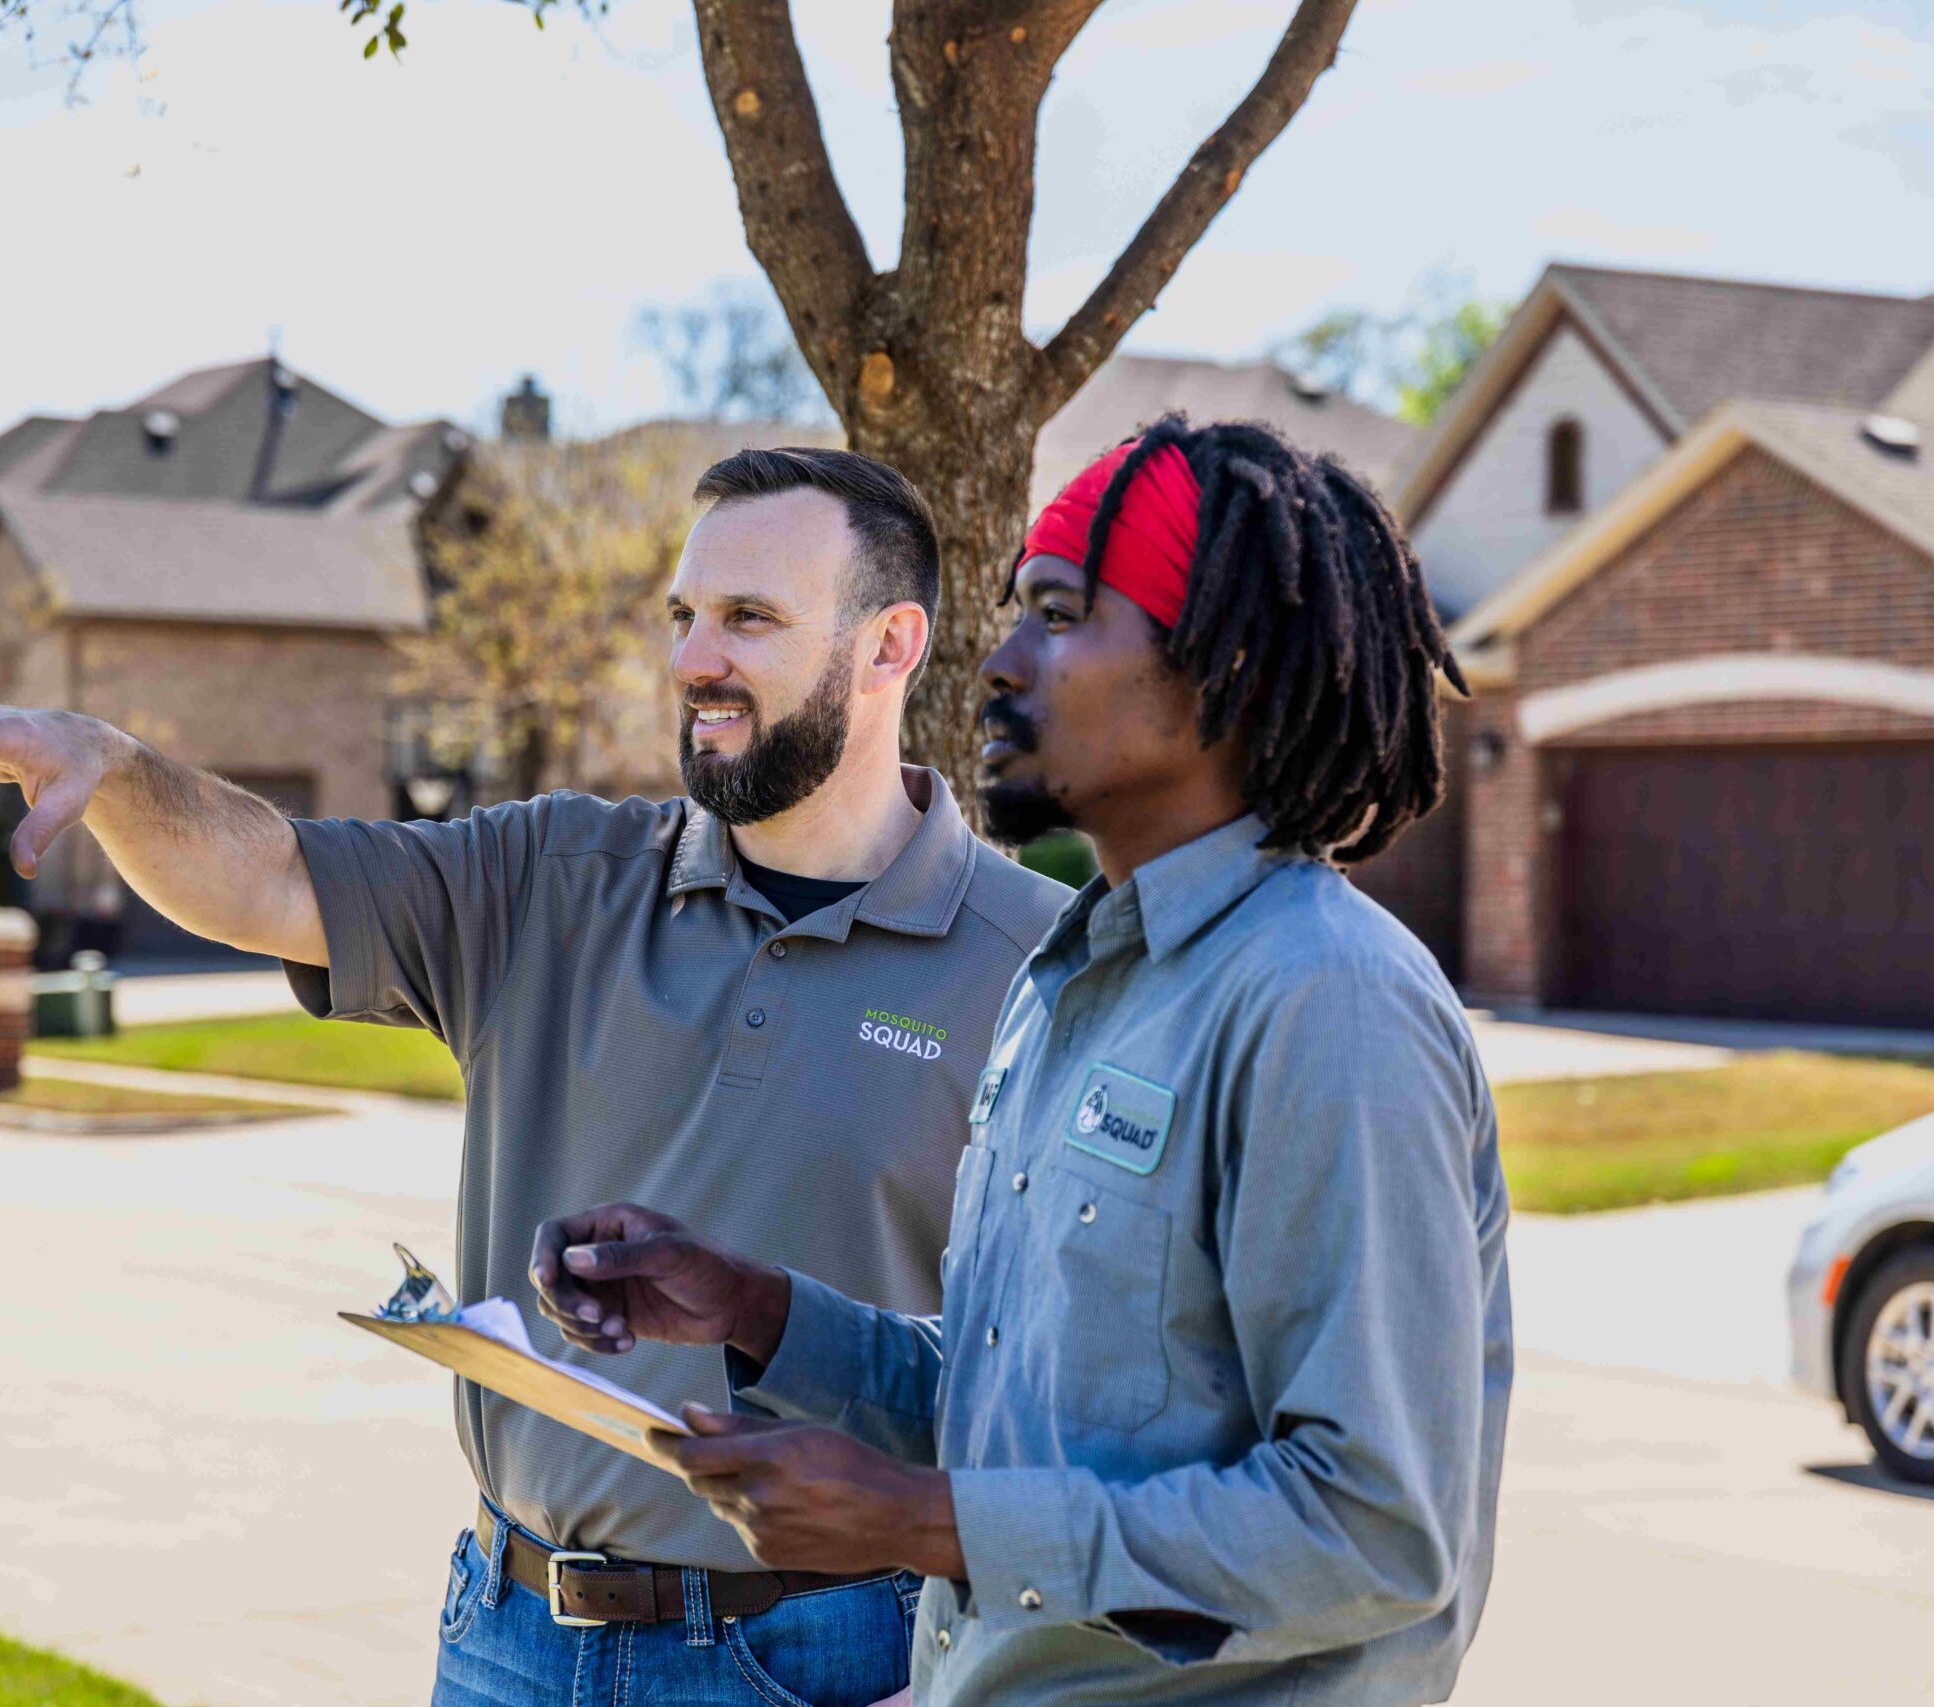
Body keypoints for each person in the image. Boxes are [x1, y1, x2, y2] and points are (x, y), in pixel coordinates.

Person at [0, 447, 1069, 1707]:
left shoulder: (1043, 969)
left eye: (750, 618)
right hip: (509, 1633)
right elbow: (265, 878)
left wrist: (974, 1675)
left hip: (833, 1662)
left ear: (889, 645)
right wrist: (108, 768)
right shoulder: (552, 876)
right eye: (684, 616)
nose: (696, 658)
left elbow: (1078, 1385)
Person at [530, 415, 1513, 1706]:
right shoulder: (1073, 979)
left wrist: (928, 1524)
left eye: (1057, 612)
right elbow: (1025, 1399)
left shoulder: (1324, 999)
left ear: (1218, 663)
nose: (995, 662)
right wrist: (756, 1309)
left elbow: (1379, 1531)